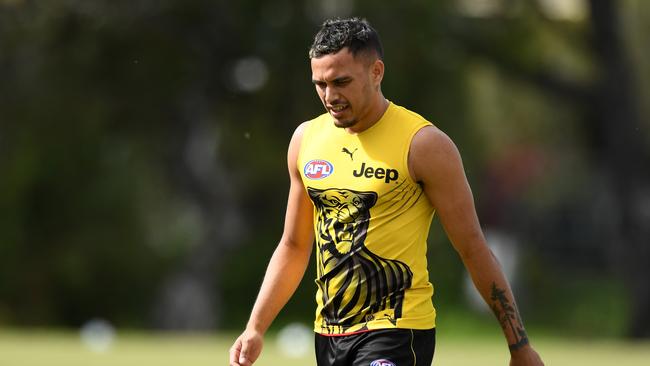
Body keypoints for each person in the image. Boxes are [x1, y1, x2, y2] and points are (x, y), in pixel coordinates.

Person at [229, 17, 544, 366]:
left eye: (341, 82)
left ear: (376, 72)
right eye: (320, 84)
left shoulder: (424, 145)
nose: (330, 96)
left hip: (397, 329)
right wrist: (255, 327)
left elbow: (472, 246)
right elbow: (294, 245)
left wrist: (519, 346)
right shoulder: (306, 140)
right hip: (330, 335)